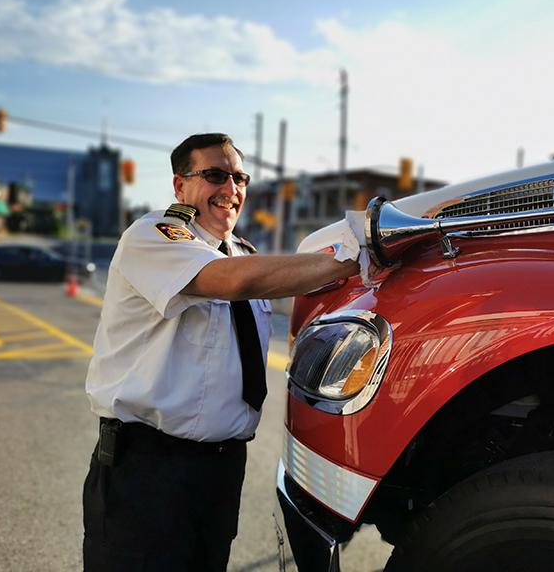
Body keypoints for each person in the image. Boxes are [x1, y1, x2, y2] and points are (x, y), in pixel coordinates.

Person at [82, 133, 360, 571]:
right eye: (215, 175)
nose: (231, 190)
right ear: (180, 186)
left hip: (221, 470)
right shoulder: (154, 235)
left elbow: (281, 284)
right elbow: (234, 281)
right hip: (150, 472)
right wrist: (354, 257)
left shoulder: (243, 254)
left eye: (239, 178)